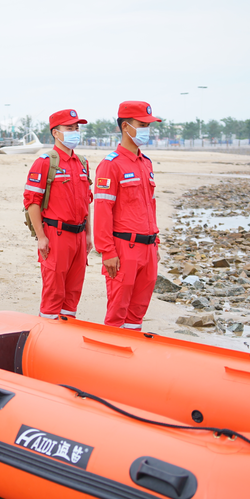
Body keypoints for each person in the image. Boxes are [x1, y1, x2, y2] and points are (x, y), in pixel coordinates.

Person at [93, 101, 161, 329]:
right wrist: (107, 251)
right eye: (142, 124)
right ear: (125, 127)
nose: (146, 130)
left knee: (137, 315)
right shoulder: (110, 165)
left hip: (148, 249)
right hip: (124, 250)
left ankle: (130, 357)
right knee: (117, 314)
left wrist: (155, 244)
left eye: (148, 125)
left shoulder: (146, 164)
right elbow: (103, 211)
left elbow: (150, 206)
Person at [23, 109, 93, 319]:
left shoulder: (82, 163)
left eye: (76, 128)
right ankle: (46, 337)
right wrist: (41, 238)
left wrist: (88, 235)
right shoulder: (45, 162)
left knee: (73, 294)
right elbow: (31, 202)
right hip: (56, 236)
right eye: (69, 128)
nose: (75, 132)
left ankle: (66, 336)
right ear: (55, 132)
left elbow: (86, 202)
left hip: (79, 237)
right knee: (54, 293)